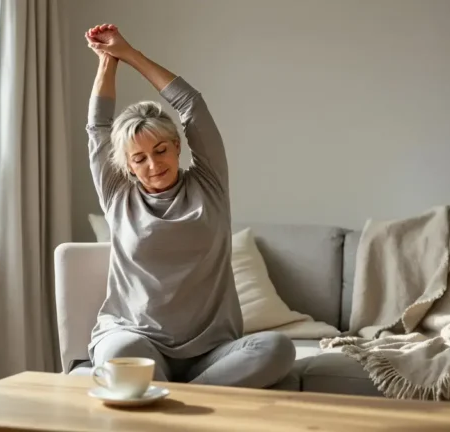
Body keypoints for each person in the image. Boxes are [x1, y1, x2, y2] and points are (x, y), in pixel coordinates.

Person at [84, 23, 295, 389]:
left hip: (212, 353)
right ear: (128, 166)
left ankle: (171, 398)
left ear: (177, 145)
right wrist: (107, 61)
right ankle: (189, 400)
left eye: (161, 150)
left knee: (277, 348)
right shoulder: (118, 194)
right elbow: (98, 127)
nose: (153, 165)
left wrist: (129, 54)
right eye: (140, 159)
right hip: (136, 337)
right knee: (124, 352)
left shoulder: (208, 183)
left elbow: (191, 103)